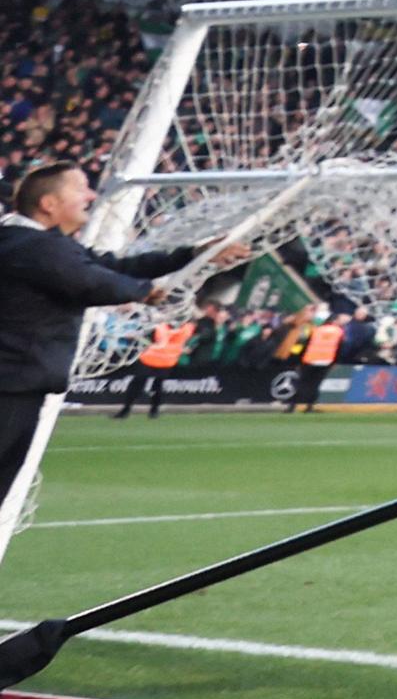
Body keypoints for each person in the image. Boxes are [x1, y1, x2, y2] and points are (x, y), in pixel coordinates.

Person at [0, 162, 241, 489]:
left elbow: (117, 266)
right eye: (80, 187)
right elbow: (90, 280)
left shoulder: (33, 242)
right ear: (49, 204)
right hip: (11, 386)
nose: (91, 195)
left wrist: (193, 254)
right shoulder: (32, 245)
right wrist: (143, 292)